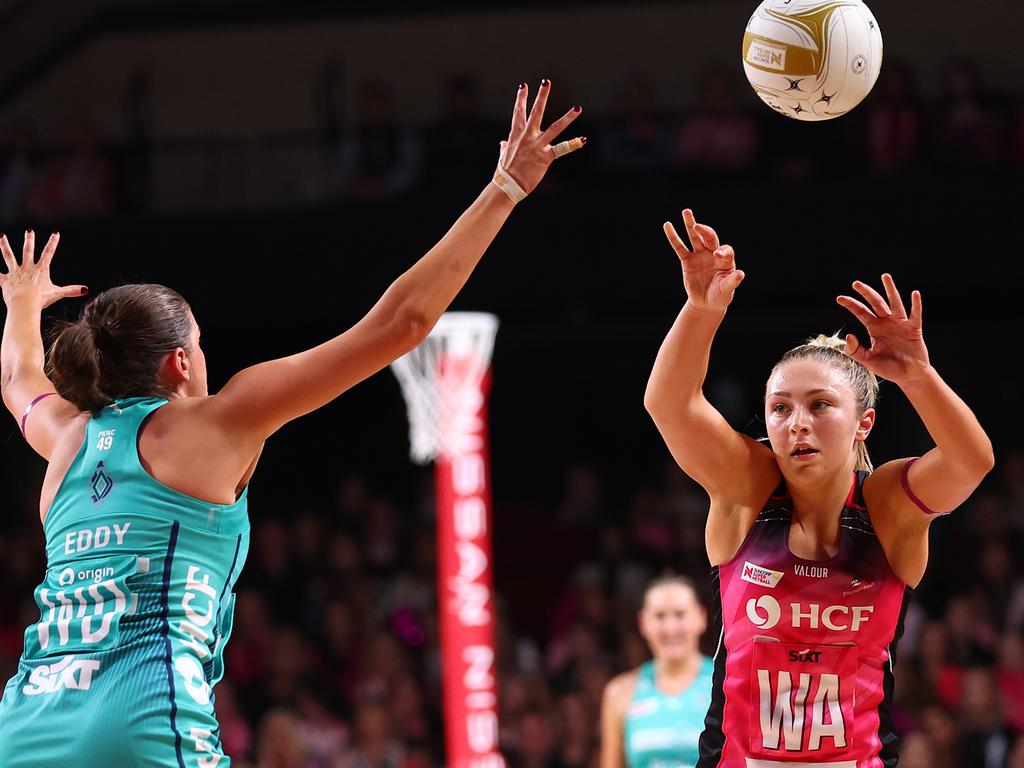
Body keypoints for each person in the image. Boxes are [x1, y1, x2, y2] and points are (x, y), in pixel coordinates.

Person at [0, 79, 584, 768]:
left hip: (24, 726)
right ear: (180, 363)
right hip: (140, 722)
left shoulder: (64, 439)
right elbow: (402, 323)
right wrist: (504, 191)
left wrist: (21, 303)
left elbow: (18, 381)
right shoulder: (216, 423)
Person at [643, 209, 994, 767]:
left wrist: (918, 376)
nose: (796, 423)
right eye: (779, 408)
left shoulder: (884, 507)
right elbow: (668, 405)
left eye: (819, 405)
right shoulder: (749, 489)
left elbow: (971, 461)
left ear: (864, 423)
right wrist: (702, 309)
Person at [600, 575, 713, 768]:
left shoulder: (727, 684)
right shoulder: (620, 692)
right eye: (659, 616)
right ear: (643, 623)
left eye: (680, 614)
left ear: (701, 618)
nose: (670, 628)